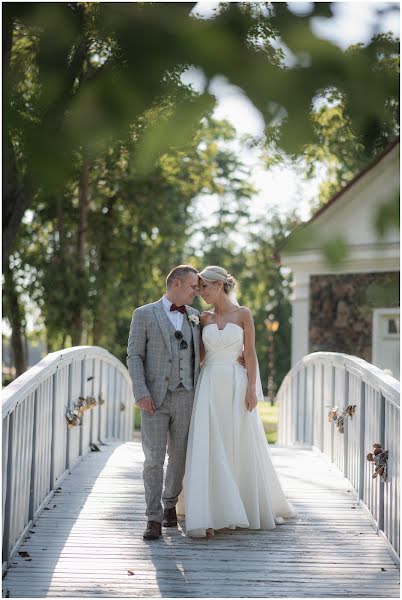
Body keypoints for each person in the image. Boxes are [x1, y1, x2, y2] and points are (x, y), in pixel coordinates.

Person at [183, 265, 296, 538]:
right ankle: (210, 509)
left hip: (236, 384)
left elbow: (251, 353)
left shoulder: (244, 314)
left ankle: (241, 506)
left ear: (219, 285)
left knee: (237, 440)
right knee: (210, 442)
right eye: (197, 289)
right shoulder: (202, 318)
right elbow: (198, 357)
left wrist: (251, 390)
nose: (200, 294)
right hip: (209, 384)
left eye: (204, 288)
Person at [126, 265, 201, 540]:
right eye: (194, 286)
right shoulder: (144, 314)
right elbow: (134, 356)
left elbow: (205, 355)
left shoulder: (196, 317)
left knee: (179, 456)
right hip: (153, 399)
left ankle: (170, 504)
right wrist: (141, 392)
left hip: (186, 396)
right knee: (153, 459)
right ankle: (153, 518)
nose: (197, 292)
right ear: (177, 283)